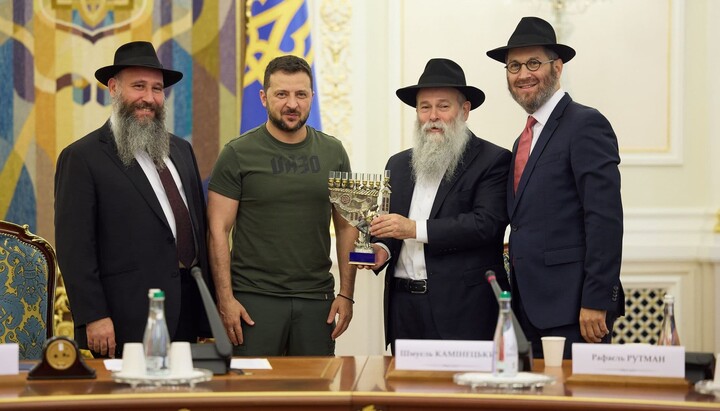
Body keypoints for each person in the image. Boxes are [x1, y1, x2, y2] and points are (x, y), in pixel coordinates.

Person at [54, 41, 212, 358]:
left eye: (156, 89)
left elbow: (197, 228)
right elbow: (75, 249)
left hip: (186, 308)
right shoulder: (82, 157)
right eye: (138, 86)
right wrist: (94, 316)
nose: (149, 98)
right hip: (124, 318)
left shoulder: (181, 149)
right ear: (113, 88)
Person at [486, 17, 624, 358]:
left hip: (576, 311)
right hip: (526, 309)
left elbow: (604, 218)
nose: (522, 74)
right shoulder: (522, 140)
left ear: (557, 67)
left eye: (534, 63)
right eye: (513, 66)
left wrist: (596, 299)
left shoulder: (585, 124)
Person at [207, 55, 358, 356]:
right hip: (253, 300)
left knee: (315, 397)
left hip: (317, 301)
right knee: (255, 399)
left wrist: (347, 293)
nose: (292, 104)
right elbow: (217, 231)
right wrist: (225, 300)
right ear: (264, 98)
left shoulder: (334, 152)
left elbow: (347, 226)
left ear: (312, 97)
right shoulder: (237, 153)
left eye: (301, 94)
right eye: (281, 94)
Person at [358, 58, 511, 353]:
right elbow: (391, 227)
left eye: (443, 106)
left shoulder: (492, 160)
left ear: (464, 110)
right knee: (405, 394)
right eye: (424, 107)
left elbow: (486, 225)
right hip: (403, 308)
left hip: (462, 311)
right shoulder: (399, 164)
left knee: (462, 397)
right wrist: (381, 249)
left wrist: (414, 228)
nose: (433, 116)